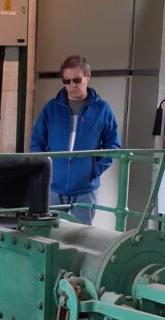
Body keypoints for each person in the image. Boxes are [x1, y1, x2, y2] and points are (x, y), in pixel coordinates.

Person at [29, 55, 120, 225]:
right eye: (66, 81)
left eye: (77, 80)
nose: (72, 85)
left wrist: (94, 170)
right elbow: (36, 142)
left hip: (85, 187)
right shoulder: (51, 108)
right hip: (54, 185)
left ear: (87, 76)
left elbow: (113, 145)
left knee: (82, 235)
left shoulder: (102, 109)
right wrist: (45, 168)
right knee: (52, 233)